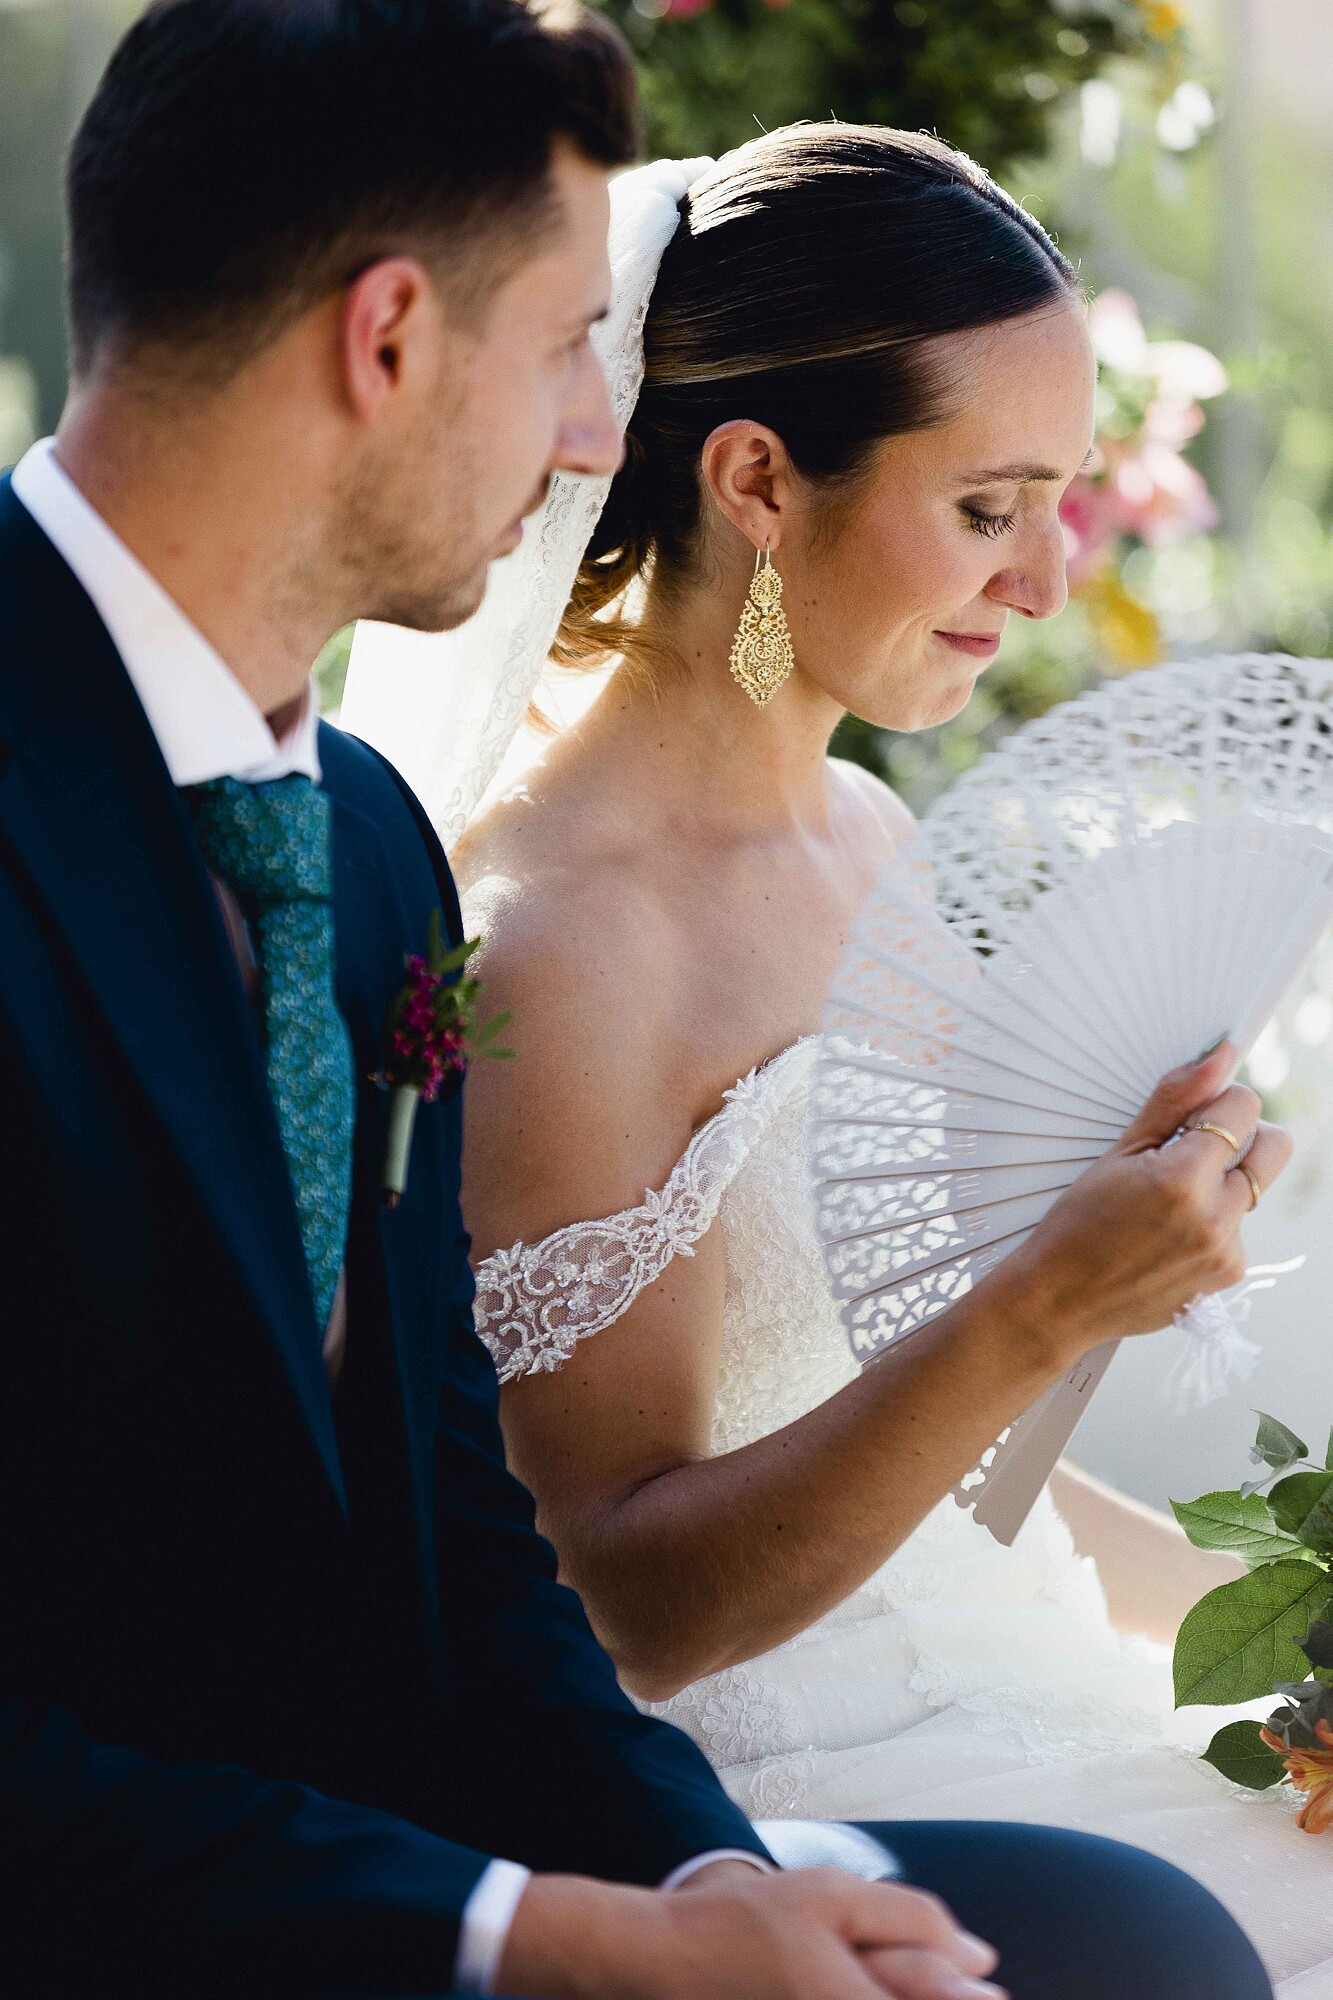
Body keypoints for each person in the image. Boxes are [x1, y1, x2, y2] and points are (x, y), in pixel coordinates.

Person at [0, 8, 1059, 1994]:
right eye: (575, 342)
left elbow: (466, 1531)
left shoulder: (367, 841)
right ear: (389, 337)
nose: (598, 434)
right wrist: (544, 1940)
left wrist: (709, 1882)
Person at [349, 130, 1327, 1993]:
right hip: (802, 1821)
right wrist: (1044, 1304)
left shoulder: (871, 838)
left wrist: (1283, 1647)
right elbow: (616, 1615)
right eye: (988, 508)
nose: (1047, 581)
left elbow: (956, 1491)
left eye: (1063, 503)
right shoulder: (563, 949)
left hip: (1037, 1693)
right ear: (755, 481)